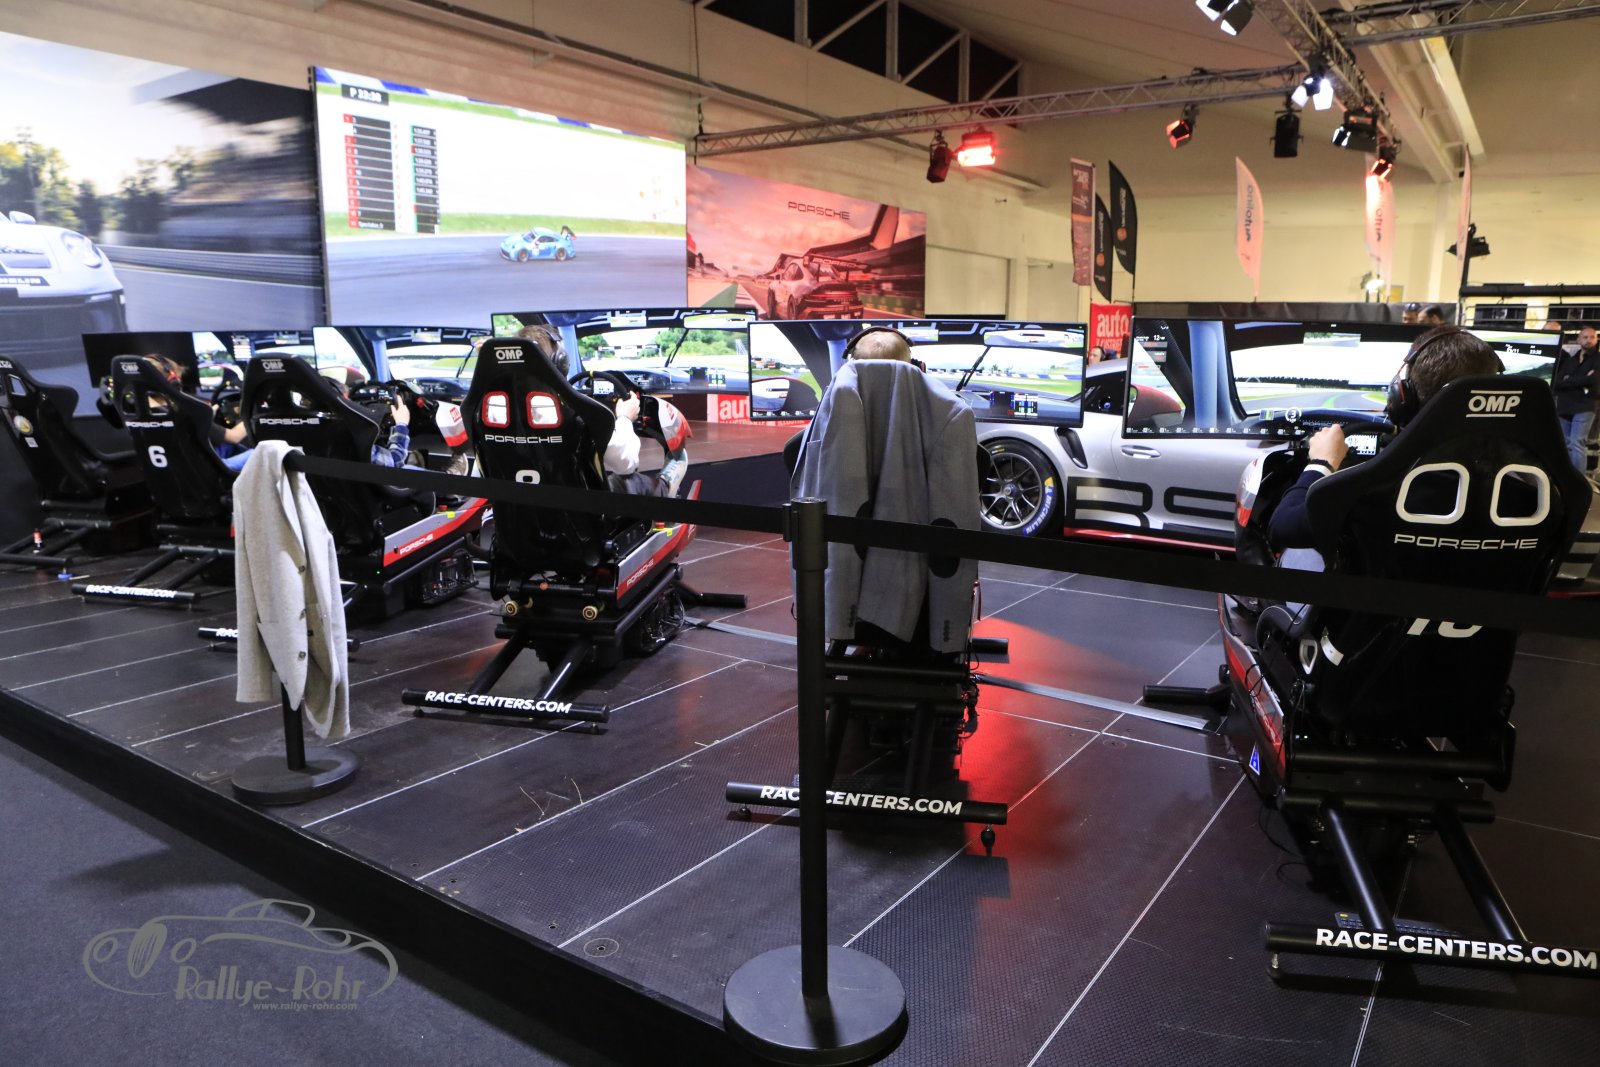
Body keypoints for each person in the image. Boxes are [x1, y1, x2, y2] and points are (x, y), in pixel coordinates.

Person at [1269, 326, 1503, 549]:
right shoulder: (1521, 485)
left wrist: (1321, 463)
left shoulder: (1370, 490)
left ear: (1404, 399)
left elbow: (1283, 527)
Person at [518, 324, 686, 497]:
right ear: (559, 363)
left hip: (518, 506)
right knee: (628, 481)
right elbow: (626, 464)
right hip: (579, 508)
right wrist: (625, 418)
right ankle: (666, 486)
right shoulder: (575, 415)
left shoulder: (501, 414)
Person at [141, 354, 255, 471]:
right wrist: (253, 412)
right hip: (207, 470)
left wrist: (207, 417)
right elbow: (235, 437)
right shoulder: (185, 413)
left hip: (174, 468)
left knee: (227, 446)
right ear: (173, 384)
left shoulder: (139, 412)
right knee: (261, 451)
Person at [1552, 325, 1599, 471]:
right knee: (1566, 444)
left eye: (1592, 337)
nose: (1588, 340)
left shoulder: (1598, 359)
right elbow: (1557, 382)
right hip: (1565, 406)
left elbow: (1593, 380)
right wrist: (1582, 379)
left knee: (1577, 443)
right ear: (1578, 339)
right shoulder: (1571, 360)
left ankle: (1578, 480)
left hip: (1585, 406)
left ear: (1596, 340)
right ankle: (1568, 477)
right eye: (1585, 337)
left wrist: (1569, 379)